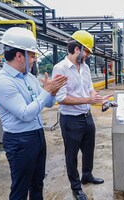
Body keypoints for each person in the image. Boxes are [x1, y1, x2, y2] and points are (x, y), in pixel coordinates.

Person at [0, 27, 67, 200]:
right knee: (20, 188)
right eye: (31, 55)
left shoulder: (29, 77)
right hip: (19, 141)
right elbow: (25, 114)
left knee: (37, 183)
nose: (34, 60)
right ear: (19, 55)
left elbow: (48, 103)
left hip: (37, 136)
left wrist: (52, 92)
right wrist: (47, 91)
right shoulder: (2, 82)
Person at [52, 30, 109, 200]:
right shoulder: (60, 68)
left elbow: (90, 89)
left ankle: (87, 175)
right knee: (71, 154)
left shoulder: (84, 67)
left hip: (86, 116)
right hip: (70, 120)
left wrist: (99, 99)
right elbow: (61, 98)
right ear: (77, 49)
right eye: (86, 52)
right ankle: (76, 187)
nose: (88, 56)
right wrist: (88, 100)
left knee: (89, 149)